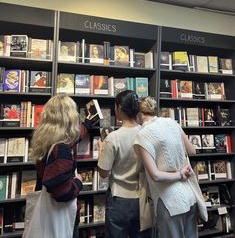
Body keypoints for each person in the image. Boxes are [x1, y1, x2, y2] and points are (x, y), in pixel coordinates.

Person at [133, 96, 208, 238]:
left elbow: (155, 175)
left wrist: (179, 174)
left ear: (140, 115)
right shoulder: (172, 122)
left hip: (169, 202)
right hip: (190, 196)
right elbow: (192, 151)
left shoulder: (142, 135)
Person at [31, 94, 92, 238]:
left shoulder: (46, 141)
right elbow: (63, 193)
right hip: (61, 218)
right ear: (70, 118)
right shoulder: (61, 149)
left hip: (46, 215)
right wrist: (78, 181)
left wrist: (88, 123)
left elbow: (74, 138)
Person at [98, 90, 146, 238]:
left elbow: (103, 173)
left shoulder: (112, 138)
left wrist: (101, 150)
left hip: (119, 199)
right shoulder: (146, 132)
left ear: (118, 108)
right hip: (142, 197)